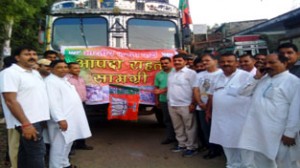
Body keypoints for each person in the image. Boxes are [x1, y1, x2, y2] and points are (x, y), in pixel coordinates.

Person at [238, 53, 300, 168]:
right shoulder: (263, 78)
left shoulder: (294, 82)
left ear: (285, 63)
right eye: (265, 63)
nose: (267, 65)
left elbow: (296, 110)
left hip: (279, 133)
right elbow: (242, 92)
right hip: (258, 130)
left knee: (285, 162)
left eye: (272, 63)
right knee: (262, 161)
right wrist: (256, 78)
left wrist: (290, 133)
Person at [0, 46, 50, 168]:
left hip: (38, 119)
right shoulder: (10, 73)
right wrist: (26, 124)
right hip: (27, 121)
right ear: (17, 57)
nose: (32, 56)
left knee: (25, 154)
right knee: (37, 153)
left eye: (34, 54)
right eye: (27, 54)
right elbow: (10, 101)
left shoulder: (34, 73)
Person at [206, 53, 253, 167]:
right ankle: (232, 164)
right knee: (226, 142)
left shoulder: (247, 76)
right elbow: (211, 95)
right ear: (219, 63)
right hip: (221, 119)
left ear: (236, 63)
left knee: (243, 146)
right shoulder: (216, 77)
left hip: (241, 119)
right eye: (223, 61)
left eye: (229, 61)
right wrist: (208, 111)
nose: (226, 64)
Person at [45, 60, 92, 168]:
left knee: (68, 143)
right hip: (62, 119)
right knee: (59, 145)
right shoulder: (51, 82)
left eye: (65, 67)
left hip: (71, 118)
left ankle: (65, 164)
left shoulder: (63, 79)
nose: (64, 69)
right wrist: (60, 119)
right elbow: (53, 102)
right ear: (52, 69)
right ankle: (56, 166)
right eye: (59, 67)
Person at [167, 53, 198, 157]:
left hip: (186, 104)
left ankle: (192, 147)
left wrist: (193, 103)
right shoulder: (171, 73)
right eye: (175, 61)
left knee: (190, 127)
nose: (176, 62)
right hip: (172, 104)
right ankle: (182, 144)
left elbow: (195, 89)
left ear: (185, 62)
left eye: (179, 60)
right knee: (178, 126)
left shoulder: (191, 73)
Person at [193, 53, 223, 159]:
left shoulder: (222, 74)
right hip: (202, 107)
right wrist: (200, 103)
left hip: (218, 107)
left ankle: (221, 149)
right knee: (206, 129)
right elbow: (196, 89)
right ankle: (212, 149)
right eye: (203, 61)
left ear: (215, 61)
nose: (204, 62)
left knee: (219, 129)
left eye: (207, 60)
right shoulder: (199, 75)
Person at [66, 62, 93, 150]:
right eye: (75, 68)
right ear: (69, 69)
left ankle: (81, 144)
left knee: (82, 123)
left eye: (78, 68)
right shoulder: (66, 79)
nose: (78, 70)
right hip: (72, 105)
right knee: (73, 124)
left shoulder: (81, 78)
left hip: (82, 103)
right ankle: (72, 146)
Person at [154, 57, 176, 145]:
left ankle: (181, 139)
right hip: (163, 100)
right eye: (162, 63)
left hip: (176, 100)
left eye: (166, 63)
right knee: (167, 120)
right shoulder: (159, 74)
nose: (164, 65)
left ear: (171, 63)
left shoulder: (176, 72)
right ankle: (170, 137)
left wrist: (163, 90)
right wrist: (157, 100)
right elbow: (156, 88)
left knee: (178, 120)